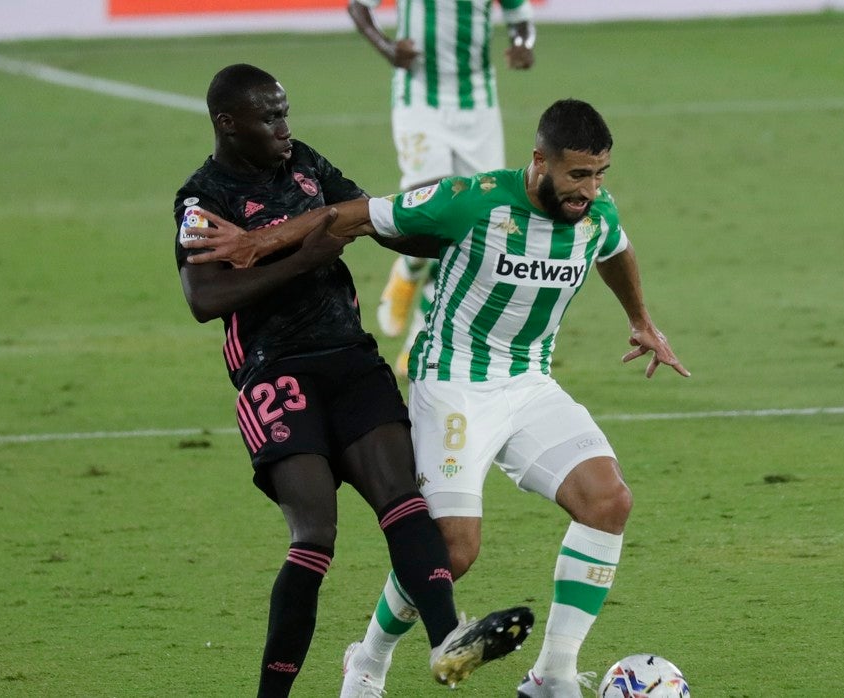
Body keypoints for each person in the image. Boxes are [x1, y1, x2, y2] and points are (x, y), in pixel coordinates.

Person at [184, 98, 690, 698]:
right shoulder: (472, 199)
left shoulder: (596, 213)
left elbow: (616, 250)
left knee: (608, 502)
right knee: (452, 549)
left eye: (600, 174)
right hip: (452, 383)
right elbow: (354, 214)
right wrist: (257, 243)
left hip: (529, 382)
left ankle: (552, 675)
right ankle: (367, 660)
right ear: (540, 161)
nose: (590, 189)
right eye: (578, 174)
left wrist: (641, 320)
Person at [172, 63, 533, 698]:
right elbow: (205, 298)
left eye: (285, 113)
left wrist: (459, 233)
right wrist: (304, 256)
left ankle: (448, 641)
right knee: (315, 537)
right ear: (228, 124)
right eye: (270, 117)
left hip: (350, 359)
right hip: (275, 372)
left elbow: (371, 219)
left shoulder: (305, 164)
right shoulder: (203, 199)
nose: (285, 128)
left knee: (404, 501)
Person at [347, 0, 536, 376]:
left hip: (478, 106)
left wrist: (523, 45)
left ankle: (421, 333)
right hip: (418, 100)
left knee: (476, 220)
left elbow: (521, 21)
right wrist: (387, 48)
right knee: (426, 205)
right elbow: (358, 7)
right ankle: (409, 269)